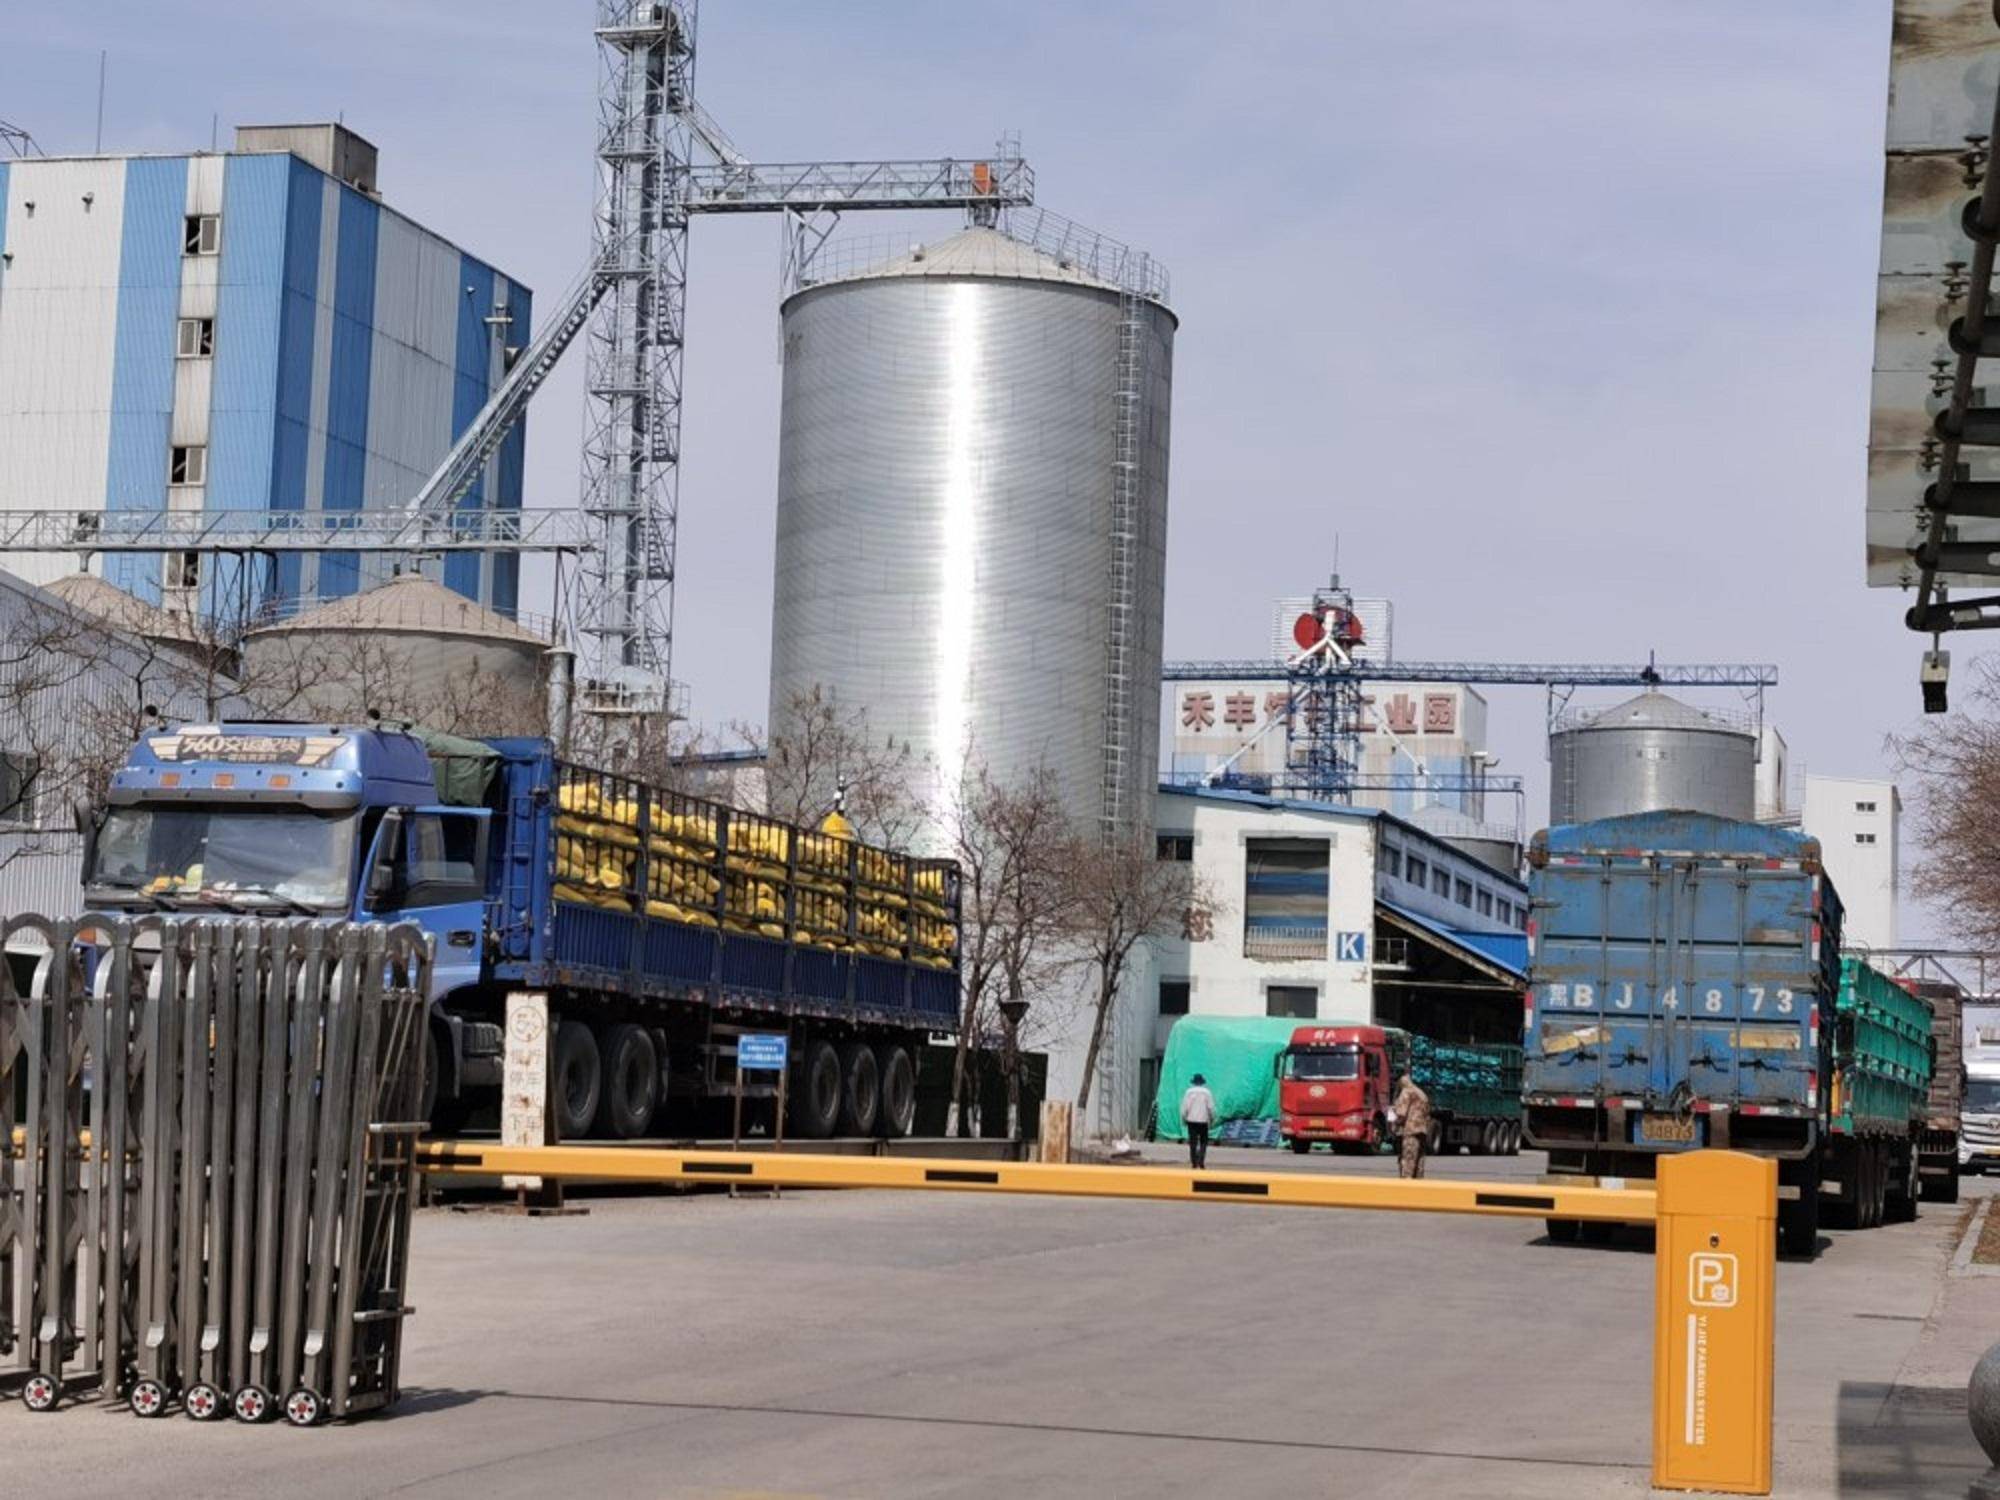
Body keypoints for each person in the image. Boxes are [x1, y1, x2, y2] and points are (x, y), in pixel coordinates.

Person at [1394, 1072, 1432, 1180]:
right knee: (1419, 1165)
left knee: (1408, 1163)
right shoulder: (1422, 1093)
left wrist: (1395, 1124)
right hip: (1422, 1131)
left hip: (1410, 1131)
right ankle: (1418, 1191)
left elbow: (1401, 1113)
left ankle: (1406, 1192)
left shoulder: (1407, 1091)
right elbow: (1428, 1114)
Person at [1180, 1073, 1217, 1169]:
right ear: (1202, 1082)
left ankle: (1194, 1162)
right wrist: (1212, 1119)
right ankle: (1201, 1160)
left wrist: (1184, 1118)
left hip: (1191, 1120)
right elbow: (1211, 1108)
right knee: (1203, 1142)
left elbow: (1185, 1108)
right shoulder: (1207, 1092)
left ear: (1194, 1082)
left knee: (1193, 1142)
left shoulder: (1189, 1092)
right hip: (1203, 1120)